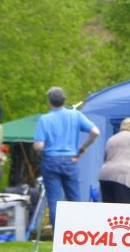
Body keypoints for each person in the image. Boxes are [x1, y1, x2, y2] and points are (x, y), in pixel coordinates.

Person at [33, 87, 100, 229]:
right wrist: (84, 147)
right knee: (74, 199)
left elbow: (38, 146)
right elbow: (95, 132)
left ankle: (57, 235)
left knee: (54, 200)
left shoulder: (44, 119)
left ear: (49, 101)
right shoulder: (75, 115)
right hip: (71, 160)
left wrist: (44, 153)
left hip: (50, 161)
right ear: (64, 100)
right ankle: (76, 233)